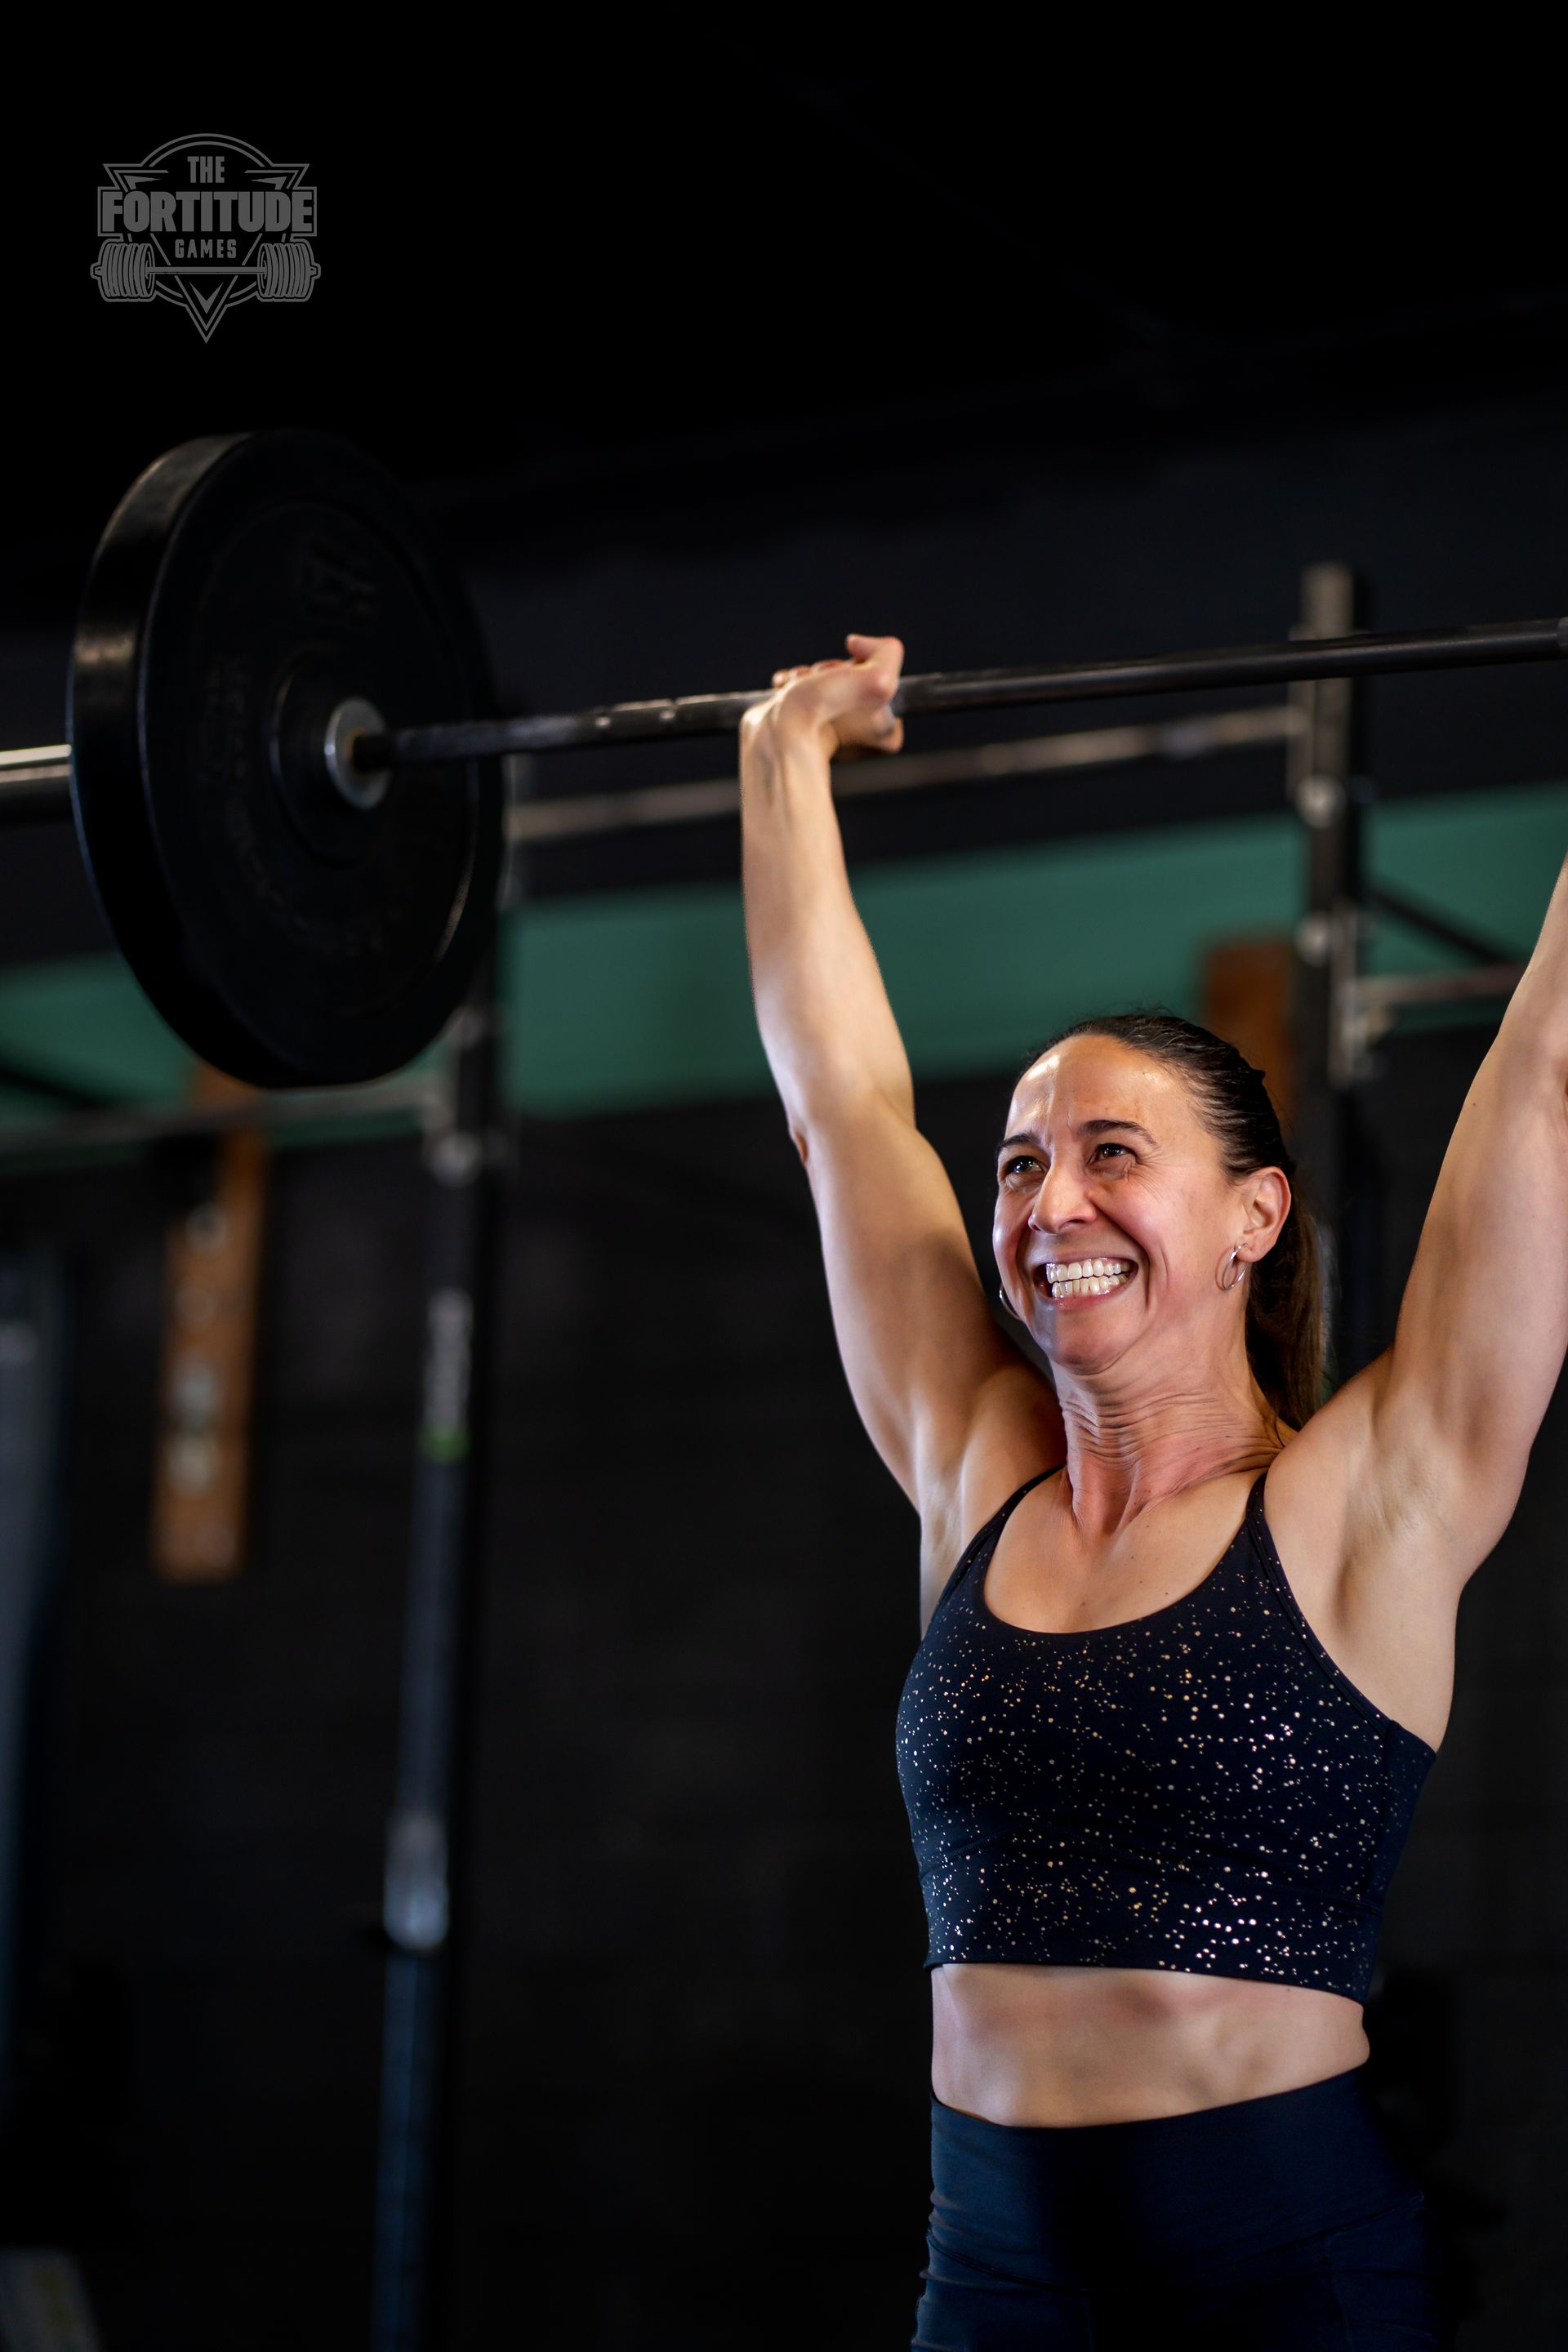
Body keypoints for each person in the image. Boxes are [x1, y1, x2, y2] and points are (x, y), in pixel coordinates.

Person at [738, 632, 1564, 2347]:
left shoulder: (1368, 1504)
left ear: (1254, 1216)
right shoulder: (976, 1477)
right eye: (1024, 1162)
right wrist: (785, 760)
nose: (1053, 1207)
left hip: (1283, 2276)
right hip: (994, 2271)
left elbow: (1549, 1081)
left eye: (1116, 1156)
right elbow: (842, 1109)